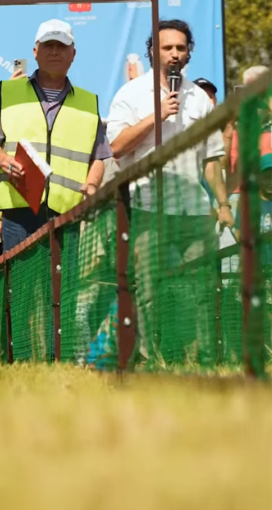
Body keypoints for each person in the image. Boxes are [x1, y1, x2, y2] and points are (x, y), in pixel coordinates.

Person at [107, 19, 231, 364]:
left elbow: (212, 158)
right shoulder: (130, 94)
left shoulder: (200, 99)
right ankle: (152, 360)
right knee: (148, 290)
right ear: (152, 52)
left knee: (201, 289)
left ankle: (201, 360)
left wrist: (222, 203)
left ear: (189, 52)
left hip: (193, 210)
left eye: (180, 47)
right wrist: (156, 116)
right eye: (167, 48)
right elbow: (116, 147)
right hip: (147, 208)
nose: (175, 54)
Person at [0, 19, 112, 252]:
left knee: (64, 277)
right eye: (48, 45)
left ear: (73, 54)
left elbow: (99, 157)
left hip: (67, 213)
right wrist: (3, 160)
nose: (54, 51)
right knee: (19, 278)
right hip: (18, 213)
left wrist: (91, 185)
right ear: (35, 52)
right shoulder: (8, 92)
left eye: (61, 46)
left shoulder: (88, 102)